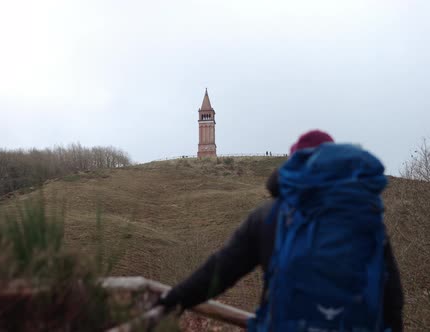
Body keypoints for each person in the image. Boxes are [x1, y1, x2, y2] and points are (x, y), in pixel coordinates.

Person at [156, 130, 404, 331]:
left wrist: (173, 300)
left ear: (294, 163)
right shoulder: (366, 218)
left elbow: (220, 271)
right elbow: (392, 298)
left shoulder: (271, 216)